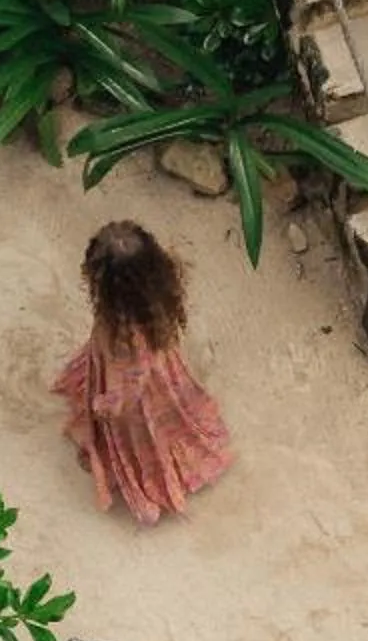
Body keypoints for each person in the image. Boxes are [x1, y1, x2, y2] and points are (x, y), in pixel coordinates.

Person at [53, 220, 233, 525]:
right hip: (158, 373)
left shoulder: (125, 332)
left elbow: (134, 381)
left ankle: (160, 483)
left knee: (149, 437)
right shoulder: (155, 294)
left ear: (108, 285)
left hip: (138, 401)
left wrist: (107, 405)